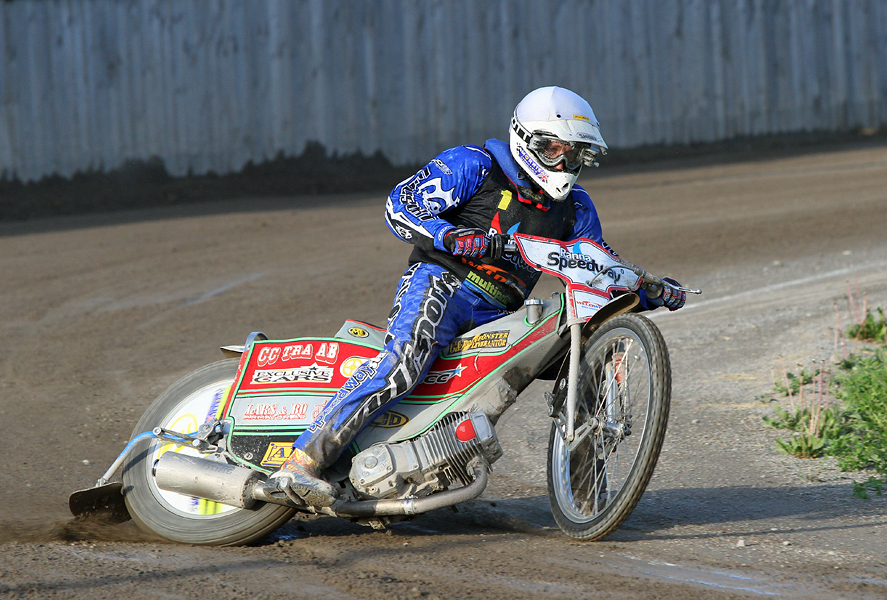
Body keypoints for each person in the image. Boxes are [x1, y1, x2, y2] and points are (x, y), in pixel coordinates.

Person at [264, 86, 686, 507]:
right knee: (407, 358)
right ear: (526, 139)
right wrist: (450, 235)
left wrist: (648, 288)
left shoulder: (577, 207)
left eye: (574, 153)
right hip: (442, 284)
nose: (563, 163)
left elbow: (597, 266)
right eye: (554, 149)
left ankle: (586, 495)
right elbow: (400, 204)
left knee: (588, 355)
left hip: (503, 314)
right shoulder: (474, 164)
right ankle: (303, 460)